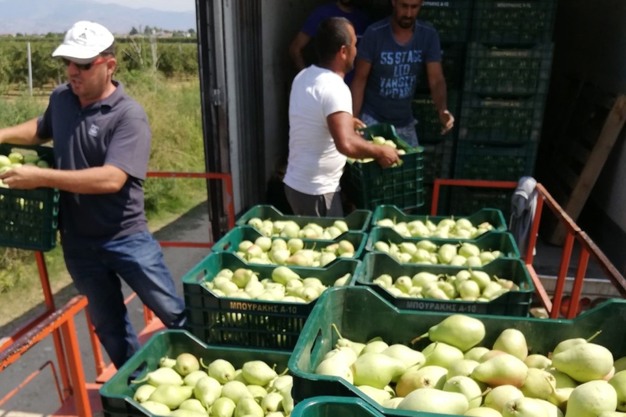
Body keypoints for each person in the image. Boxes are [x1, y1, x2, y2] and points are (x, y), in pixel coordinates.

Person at [0, 21, 186, 369]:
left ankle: (203, 366)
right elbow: (41, 128)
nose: (73, 71)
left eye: (83, 64)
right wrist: (2, 133)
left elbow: (112, 179)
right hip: (79, 244)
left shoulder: (128, 116)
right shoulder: (61, 99)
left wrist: (41, 177)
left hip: (126, 237)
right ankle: (135, 384)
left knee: (173, 313)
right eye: (68, 62)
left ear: (109, 65)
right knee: (109, 327)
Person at [283, 17, 401, 217]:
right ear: (344, 51)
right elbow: (346, 144)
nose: (357, 50)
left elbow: (312, 117)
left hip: (297, 185)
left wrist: (345, 121)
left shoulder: (304, 76)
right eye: (354, 44)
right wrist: (380, 151)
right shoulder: (335, 88)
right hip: (317, 191)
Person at [350, 0, 455, 147]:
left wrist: (442, 109)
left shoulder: (428, 35)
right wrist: (353, 119)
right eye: (404, 6)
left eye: (414, 7)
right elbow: (360, 79)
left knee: (410, 160)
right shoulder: (374, 33)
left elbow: (436, 79)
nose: (408, 13)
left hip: (404, 120)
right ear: (394, 2)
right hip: (372, 118)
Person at [288, 0, 370, 85]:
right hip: (323, 84)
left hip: (352, 87)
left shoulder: (363, 19)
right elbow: (295, 48)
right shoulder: (323, 13)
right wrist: (307, 78)